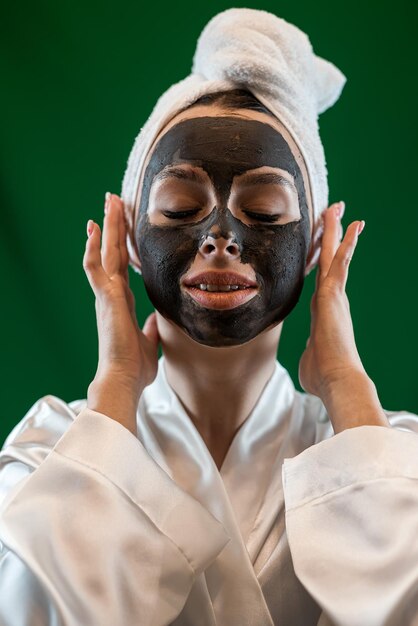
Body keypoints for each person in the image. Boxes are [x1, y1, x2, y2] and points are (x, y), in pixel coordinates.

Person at [1, 8, 417, 626]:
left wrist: (352, 395)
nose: (219, 236)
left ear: (314, 248)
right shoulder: (46, 453)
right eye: (178, 207)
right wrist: (114, 388)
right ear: (131, 240)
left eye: (267, 211)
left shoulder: (391, 455)